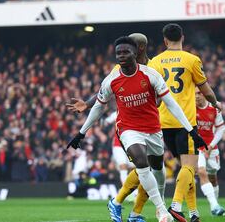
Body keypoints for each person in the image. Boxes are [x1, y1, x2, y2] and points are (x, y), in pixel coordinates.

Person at [66, 36, 207, 222]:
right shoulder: (112, 79)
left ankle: (130, 208)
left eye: (126, 51)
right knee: (141, 162)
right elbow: (100, 105)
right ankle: (162, 210)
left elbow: (171, 104)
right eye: (118, 53)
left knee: (157, 169)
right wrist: (81, 132)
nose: (121, 56)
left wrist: (191, 130)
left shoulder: (151, 73)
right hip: (128, 129)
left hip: (153, 128)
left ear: (136, 51)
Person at [146, 23, 221, 222]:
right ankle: (176, 206)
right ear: (183, 38)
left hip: (163, 122)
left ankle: (194, 212)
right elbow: (206, 90)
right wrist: (216, 103)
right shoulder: (191, 60)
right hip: (185, 122)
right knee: (190, 167)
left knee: (186, 169)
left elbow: (152, 93)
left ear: (164, 40)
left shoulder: (155, 62)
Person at [195, 87, 225, 216]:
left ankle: (216, 205)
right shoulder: (190, 107)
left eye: (198, 93)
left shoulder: (214, 108)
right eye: (194, 94)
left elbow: (221, 129)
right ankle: (214, 205)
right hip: (197, 147)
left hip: (211, 148)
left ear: (205, 94)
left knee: (213, 177)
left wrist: (211, 145)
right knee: (202, 172)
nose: (196, 96)